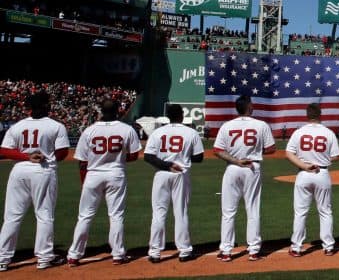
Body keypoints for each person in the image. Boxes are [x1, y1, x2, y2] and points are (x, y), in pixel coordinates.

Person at [67, 99, 142, 266]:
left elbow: (82, 161)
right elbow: (134, 155)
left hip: (93, 174)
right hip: (116, 173)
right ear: (119, 111)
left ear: (100, 111)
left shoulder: (90, 130)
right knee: (116, 215)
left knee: (85, 215)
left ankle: (74, 255)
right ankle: (118, 254)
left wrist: (83, 181)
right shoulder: (126, 129)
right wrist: (119, 158)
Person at [0, 92, 69, 271]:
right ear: (46, 106)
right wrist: (44, 154)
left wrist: (25, 156)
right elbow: (62, 154)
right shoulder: (56, 126)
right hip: (43, 171)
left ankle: (2, 258)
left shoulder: (18, 126)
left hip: (19, 170)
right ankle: (45, 257)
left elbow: (4, 150)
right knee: (44, 214)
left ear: (30, 108)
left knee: (12, 216)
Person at [213, 95, 276, 262]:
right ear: (248, 107)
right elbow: (271, 149)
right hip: (252, 167)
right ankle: (253, 250)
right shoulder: (260, 125)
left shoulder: (227, 126)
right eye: (252, 104)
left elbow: (218, 150)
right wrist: (254, 153)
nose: (253, 106)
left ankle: (226, 251)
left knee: (228, 211)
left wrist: (236, 160)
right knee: (252, 209)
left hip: (233, 168)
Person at [144, 104, 204, 263]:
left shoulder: (157, 132)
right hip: (181, 173)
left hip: (161, 173)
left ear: (167, 116)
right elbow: (199, 157)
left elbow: (148, 157)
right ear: (182, 115)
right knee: (181, 212)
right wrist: (182, 158)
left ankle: (155, 252)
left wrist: (167, 164)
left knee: (158, 213)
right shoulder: (191, 132)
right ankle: (184, 251)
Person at [285, 103, 339, 257]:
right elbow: (336, 156)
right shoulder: (328, 133)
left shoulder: (299, 132)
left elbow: (289, 153)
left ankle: (296, 247)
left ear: (307, 115)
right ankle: (328, 246)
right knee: (325, 211)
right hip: (321, 173)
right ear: (320, 115)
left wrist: (304, 165)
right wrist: (322, 157)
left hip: (303, 173)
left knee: (301, 212)